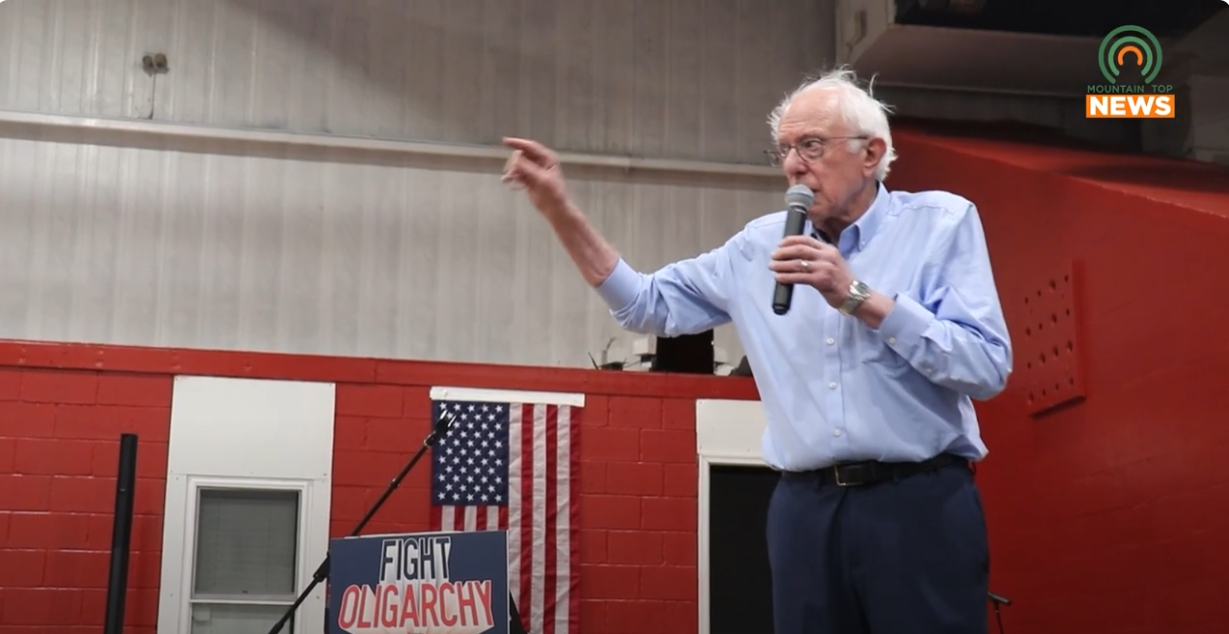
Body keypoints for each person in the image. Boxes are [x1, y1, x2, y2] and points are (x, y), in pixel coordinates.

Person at [500, 68, 1012, 634]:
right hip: (805, 510)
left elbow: (985, 366)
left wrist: (859, 297)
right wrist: (559, 210)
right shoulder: (757, 247)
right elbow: (645, 304)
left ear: (871, 153)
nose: (793, 165)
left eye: (811, 146)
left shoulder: (941, 224)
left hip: (918, 502)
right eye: (784, 151)